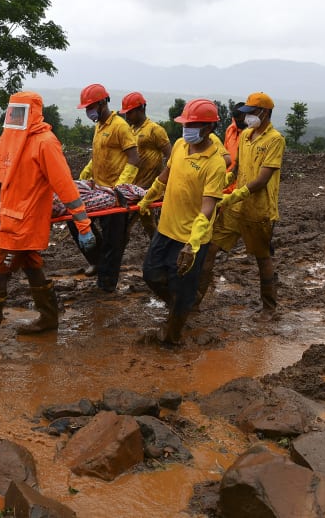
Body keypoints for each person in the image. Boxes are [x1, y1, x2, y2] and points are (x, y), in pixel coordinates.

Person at [0, 91, 96, 355]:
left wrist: (83, 224)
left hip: (24, 223)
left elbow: (64, 185)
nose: (14, 117)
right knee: (33, 267)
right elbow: (1, 176)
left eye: (20, 112)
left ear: (31, 112)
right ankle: (49, 317)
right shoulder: (13, 138)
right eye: (13, 111)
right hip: (11, 218)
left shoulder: (45, 142)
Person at [137, 98, 227, 344]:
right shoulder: (179, 145)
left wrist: (193, 244)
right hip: (166, 230)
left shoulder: (215, 163)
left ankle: (174, 337)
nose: (186, 129)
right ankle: (180, 306)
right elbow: (165, 176)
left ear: (209, 128)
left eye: (193, 124)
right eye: (185, 123)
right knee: (151, 274)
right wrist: (148, 198)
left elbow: (208, 208)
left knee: (182, 288)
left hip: (190, 239)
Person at [195, 92, 285, 320]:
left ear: (265, 113)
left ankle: (269, 309)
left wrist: (234, 196)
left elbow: (263, 178)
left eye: (252, 113)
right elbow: (236, 169)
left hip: (259, 209)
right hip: (236, 208)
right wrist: (221, 184)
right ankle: (194, 303)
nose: (247, 118)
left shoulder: (275, 140)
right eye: (246, 114)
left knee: (262, 257)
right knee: (210, 249)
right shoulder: (245, 136)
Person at [71, 83, 139, 292]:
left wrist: (120, 188)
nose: (88, 112)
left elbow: (134, 159)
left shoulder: (120, 126)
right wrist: (86, 174)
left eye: (90, 107)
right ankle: (99, 261)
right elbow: (99, 155)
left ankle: (107, 284)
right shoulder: (99, 126)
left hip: (115, 194)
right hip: (98, 190)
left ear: (102, 103)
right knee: (77, 221)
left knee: (113, 241)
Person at [119, 91, 172, 239]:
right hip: (133, 186)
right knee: (134, 222)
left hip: (150, 186)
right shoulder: (129, 131)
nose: (126, 116)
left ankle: (158, 252)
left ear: (141, 109)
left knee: (144, 221)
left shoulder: (155, 130)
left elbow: (171, 157)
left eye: (129, 113)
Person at [222, 102, 248, 192]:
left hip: (242, 182)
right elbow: (224, 152)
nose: (239, 123)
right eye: (237, 121)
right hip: (228, 179)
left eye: (241, 121)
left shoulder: (252, 134)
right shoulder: (230, 129)